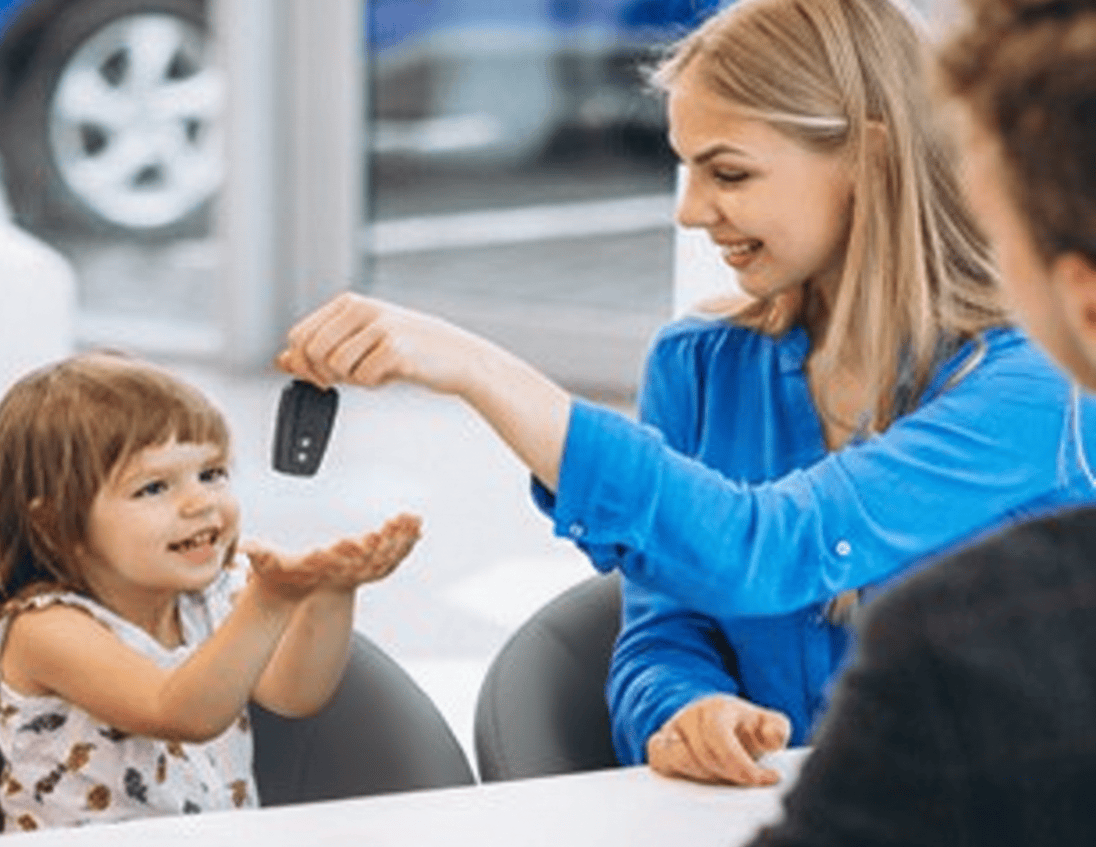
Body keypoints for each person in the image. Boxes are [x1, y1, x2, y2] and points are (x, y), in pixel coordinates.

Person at [276, 0, 1096, 787]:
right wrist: (686, 709)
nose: (693, 211)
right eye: (687, 169)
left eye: (728, 172)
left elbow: (774, 548)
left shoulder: (1037, 387)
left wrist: (481, 370)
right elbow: (663, 630)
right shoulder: (700, 365)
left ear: (871, 159)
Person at [743, 0, 1096, 842]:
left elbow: (780, 537)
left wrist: (498, 385)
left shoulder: (969, 647)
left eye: (997, 234)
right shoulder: (711, 359)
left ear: (1082, 300)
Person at [0, 352, 421, 831]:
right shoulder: (45, 628)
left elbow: (294, 694)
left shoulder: (211, 600)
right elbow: (176, 711)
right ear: (56, 523)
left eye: (211, 474)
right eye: (153, 488)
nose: (200, 502)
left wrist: (333, 591)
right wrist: (271, 600)